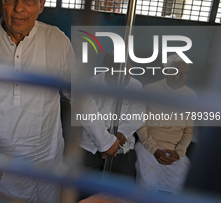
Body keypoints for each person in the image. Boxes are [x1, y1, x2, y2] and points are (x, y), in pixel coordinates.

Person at [0, 0, 118, 203]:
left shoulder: (57, 41)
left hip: (44, 160)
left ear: (42, 3)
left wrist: (104, 139)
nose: (19, 8)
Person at [135, 54, 196, 194]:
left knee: (182, 187)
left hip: (175, 152)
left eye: (186, 73)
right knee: (147, 186)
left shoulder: (191, 95)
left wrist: (179, 153)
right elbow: (140, 123)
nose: (182, 77)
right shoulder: (150, 90)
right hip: (148, 148)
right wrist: (154, 149)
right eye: (178, 73)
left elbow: (188, 131)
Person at [81, 52, 144, 178]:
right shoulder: (92, 84)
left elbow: (137, 116)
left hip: (122, 144)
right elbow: (87, 115)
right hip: (91, 145)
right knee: (83, 190)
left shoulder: (135, 86)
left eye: (129, 72)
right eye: (123, 74)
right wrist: (104, 141)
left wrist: (114, 138)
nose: (128, 77)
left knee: (120, 194)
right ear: (109, 72)